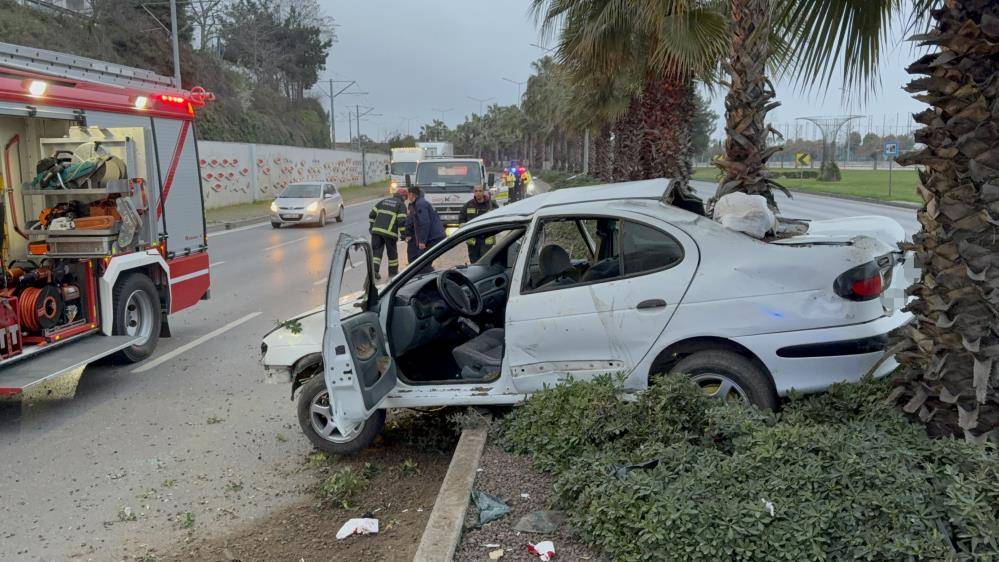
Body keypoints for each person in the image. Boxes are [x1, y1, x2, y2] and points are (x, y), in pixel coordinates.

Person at [368, 188, 408, 280]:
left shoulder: (383, 201)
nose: (405, 200)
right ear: (403, 197)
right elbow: (402, 221)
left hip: (376, 232)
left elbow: (371, 215)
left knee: (376, 252)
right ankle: (393, 273)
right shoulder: (401, 205)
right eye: (405, 198)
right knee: (392, 254)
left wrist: (371, 227)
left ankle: (374, 271)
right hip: (389, 233)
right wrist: (403, 234)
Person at [406, 186, 445, 274]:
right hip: (432, 237)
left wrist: (422, 241)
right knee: (422, 262)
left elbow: (424, 223)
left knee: (422, 264)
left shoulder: (420, 204)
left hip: (433, 238)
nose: (407, 197)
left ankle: (433, 279)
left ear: (412, 195)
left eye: (408, 194)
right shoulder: (418, 203)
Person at [459, 185, 499, 262]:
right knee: (474, 263)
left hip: (486, 239)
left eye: (480, 191)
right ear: (473, 192)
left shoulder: (490, 204)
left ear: (483, 192)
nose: (478, 193)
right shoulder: (468, 205)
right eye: (476, 191)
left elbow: (498, 218)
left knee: (485, 262)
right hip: (473, 240)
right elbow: (461, 219)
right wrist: (464, 228)